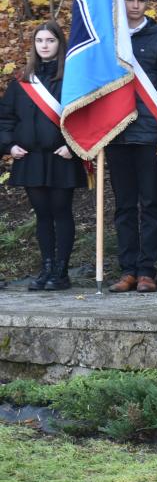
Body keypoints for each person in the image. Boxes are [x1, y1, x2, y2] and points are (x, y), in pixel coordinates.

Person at [0, 22, 88, 290]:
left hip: (62, 156)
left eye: (50, 40)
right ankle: (46, 267)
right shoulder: (22, 81)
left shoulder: (73, 78)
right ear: (34, 45)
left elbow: (86, 116)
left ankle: (61, 271)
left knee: (61, 211)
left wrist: (73, 146)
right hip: (31, 158)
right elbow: (6, 118)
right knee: (42, 214)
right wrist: (9, 146)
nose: (45, 45)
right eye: (40, 41)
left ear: (60, 43)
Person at [107, 0, 157, 293]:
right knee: (123, 206)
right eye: (129, 0)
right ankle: (128, 270)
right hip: (116, 133)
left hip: (150, 135)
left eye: (141, 1)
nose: (135, 6)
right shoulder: (109, 39)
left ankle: (147, 270)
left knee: (150, 204)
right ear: (120, 2)